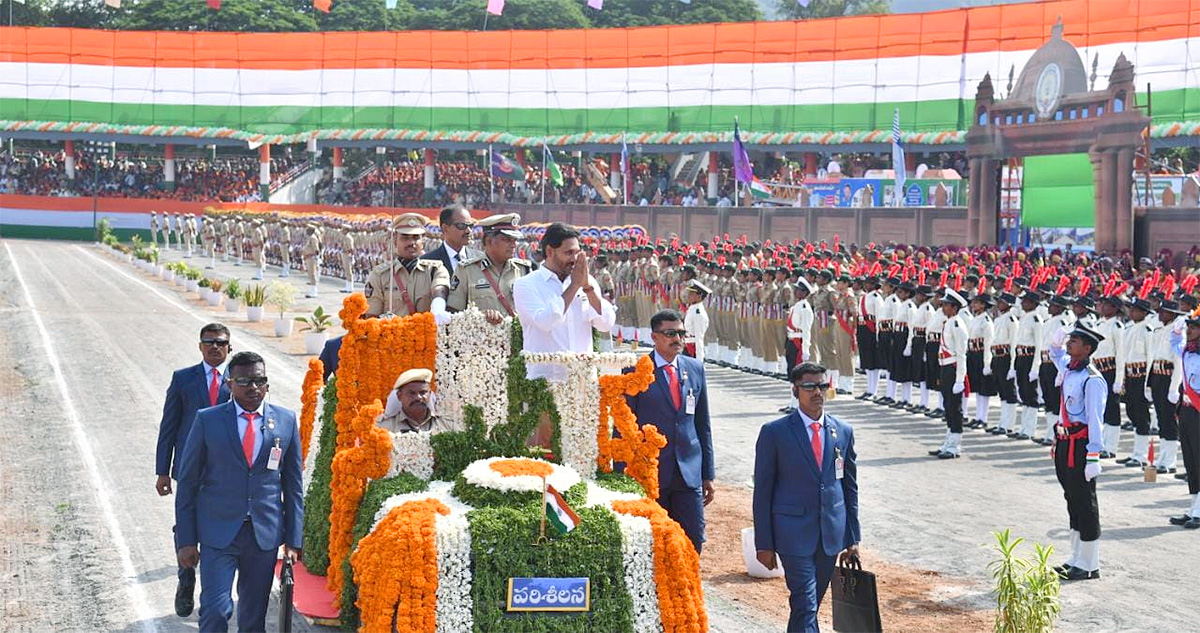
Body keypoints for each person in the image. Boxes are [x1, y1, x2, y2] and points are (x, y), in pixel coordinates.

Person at [175, 351, 303, 632]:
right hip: (218, 532)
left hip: (263, 535)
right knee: (216, 610)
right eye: (244, 381)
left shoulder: (285, 421)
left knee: (253, 617)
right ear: (229, 384)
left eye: (260, 380)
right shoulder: (208, 420)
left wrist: (294, 540)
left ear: (267, 384)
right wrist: (186, 539)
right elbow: (187, 482)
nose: (253, 387)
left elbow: (293, 486)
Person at [753, 362, 861, 633]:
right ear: (795, 390)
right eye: (809, 386)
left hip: (830, 536)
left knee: (808, 606)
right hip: (792, 534)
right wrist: (763, 543)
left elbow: (849, 488)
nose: (817, 393)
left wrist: (852, 538)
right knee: (805, 602)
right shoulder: (775, 432)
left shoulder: (842, 432)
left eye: (822, 386)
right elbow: (763, 491)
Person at [154, 323, 233, 618]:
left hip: (226, 472)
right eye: (209, 342)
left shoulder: (240, 379)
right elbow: (169, 426)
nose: (215, 347)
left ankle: (215, 590)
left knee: (220, 527)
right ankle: (185, 578)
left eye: (221, 343)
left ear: (229, 348)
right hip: (189, 469)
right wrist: (163, 469)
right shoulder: (183, 379)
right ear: (200, 346)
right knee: (185, 524)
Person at [623, 309, 714, 553]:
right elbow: (624, 426)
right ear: (654, 337)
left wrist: (708, 474)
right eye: (671, 333)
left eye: (682, 333)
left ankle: (689, 589)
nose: (678, 339)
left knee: (692, 540)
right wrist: (623, 475)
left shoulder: (694, 369)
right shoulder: (635, 370)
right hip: (650, 474)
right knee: (652, 543)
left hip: (688, 472)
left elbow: (702, 425)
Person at [512, 222, 616, 381]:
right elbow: (545, 321)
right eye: (568, 253)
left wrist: (587, 287)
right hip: (546, 381)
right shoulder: (526, 284)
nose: (575, 259)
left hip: (584, 380)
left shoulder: (586, 282)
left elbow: (605, 324)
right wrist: (574, 286)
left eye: (577, 253)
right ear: (549, 251)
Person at [1049, 324, 1107, 581]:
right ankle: (1075, 557)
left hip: (1081, 446)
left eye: (1075, 341)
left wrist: (1094, 455)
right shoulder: (1069, 368)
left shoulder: (1092, 378)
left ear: (1087, 348)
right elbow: (1055, 355)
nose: (1069, 344)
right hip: (1064, 442)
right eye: (1069, 339)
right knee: (1071, 498)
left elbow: (1095, 419)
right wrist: (1055, 344)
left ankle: (1090, 563)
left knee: (1085, 501)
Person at [448, 213, 533, 325]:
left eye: (514, 240)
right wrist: (480, 316)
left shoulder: (523, 270)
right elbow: (453, 312)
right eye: (507, 240)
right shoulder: (467, 270)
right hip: (482, 339)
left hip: (516, 340)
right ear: (488, 241)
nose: (513, 245)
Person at [363, 213, 451, 321]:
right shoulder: (380, 275)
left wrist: (438, 305)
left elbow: (440, 287)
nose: (411, 243)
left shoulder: (434, 270)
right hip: (391, 336)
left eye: (416, 238)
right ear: (395, 241)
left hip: (426, 335)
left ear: (422, 242)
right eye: (405, 238)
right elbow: (372, 316)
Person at [1169, 314, 1200, 528]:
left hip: (1198, 409)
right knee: (1190, 460)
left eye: (1194, 327)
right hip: (1187, 410)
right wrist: (1176, 331)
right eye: (1188, 326)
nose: (1189, 330)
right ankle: (1194, 507)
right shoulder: (1186, 351)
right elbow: (1174, 343)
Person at [932, 289, 968, 459]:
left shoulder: (958, 325)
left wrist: (960, 379)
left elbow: (961, 354)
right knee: (948, 407)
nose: (943, 307)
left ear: (954, 307)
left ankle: (955, 446)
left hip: (953, 368)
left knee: (955, 408)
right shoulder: (949, 323)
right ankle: (948, 442)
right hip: (945, 367)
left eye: (946, 305)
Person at [377, 368, 462, 434]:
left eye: (423, 392)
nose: (418, 397)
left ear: (429, 394)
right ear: (399, 396)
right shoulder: (384, 428)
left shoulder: (447, 425)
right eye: (411, 393)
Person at [423, 204, 477, 274]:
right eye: (461, 226)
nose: (468, 231)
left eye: (470, 226)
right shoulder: (428, 263)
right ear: (445, 228)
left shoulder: (480, 259)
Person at [682, 280, 711, 361]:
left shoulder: (698, 313)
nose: (688, 296)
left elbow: (699, 337)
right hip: (687, 346)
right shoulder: (692, 309)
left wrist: (699, 359)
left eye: (691, 294)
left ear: (699, 296)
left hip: (693, 349)